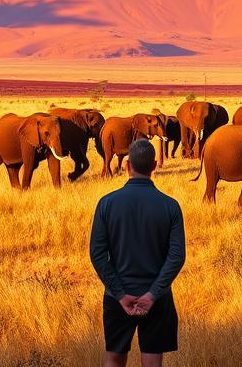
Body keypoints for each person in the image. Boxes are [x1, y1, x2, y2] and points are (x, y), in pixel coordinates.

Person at [89, 139, 186, 367]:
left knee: (114, 357)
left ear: (126, 165)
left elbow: (98, 254)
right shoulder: (170, 206)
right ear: (154, 166)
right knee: (152, 361)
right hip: (157, 298)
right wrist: (152, 295)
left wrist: (120, 294)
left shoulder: (106, 204)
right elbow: (176, 257)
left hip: (117, 297)